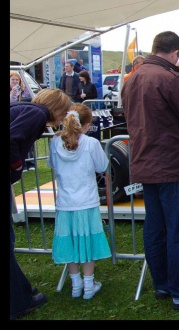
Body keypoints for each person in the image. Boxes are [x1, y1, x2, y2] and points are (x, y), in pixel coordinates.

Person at [121, 31, 179, 310]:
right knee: (177, 230)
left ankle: (162, 284)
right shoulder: (169, 78)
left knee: (155, 228)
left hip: (144, 162)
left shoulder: (132, 78)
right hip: (170, 165)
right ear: (174, 53)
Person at [10, 88, 73, 319]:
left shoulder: (22, 107)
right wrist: (16, 167)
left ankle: (22, 291)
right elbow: (12, 139)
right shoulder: (36, 114)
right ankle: (19, 302)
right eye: (63, 112)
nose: (62, 119)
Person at [48, 104, 111, 300]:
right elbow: (102, 165)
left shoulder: (55, 142)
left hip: (65, 201)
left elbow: (52, 164)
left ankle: (76, 284)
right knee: (88, 241)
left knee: (70, 241)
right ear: (87, 124)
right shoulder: (91, 143)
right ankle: (88, 284)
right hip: (87, 201)